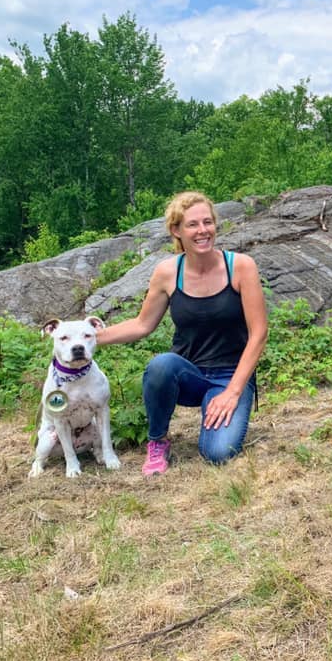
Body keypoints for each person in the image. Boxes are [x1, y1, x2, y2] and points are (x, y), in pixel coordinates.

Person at [96, 191, 268, 476]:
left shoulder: (240, 267)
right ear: (176, 230)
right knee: (161, 365)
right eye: (193, 225)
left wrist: (232, 392)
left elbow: (259, 333)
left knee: (218, 454)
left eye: (208, 222)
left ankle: (216, 413)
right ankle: (158, 441)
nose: (203, 231)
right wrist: (88, 338)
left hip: (230, 376)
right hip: (188, 374)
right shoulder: (167, 272)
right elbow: (142, 324)